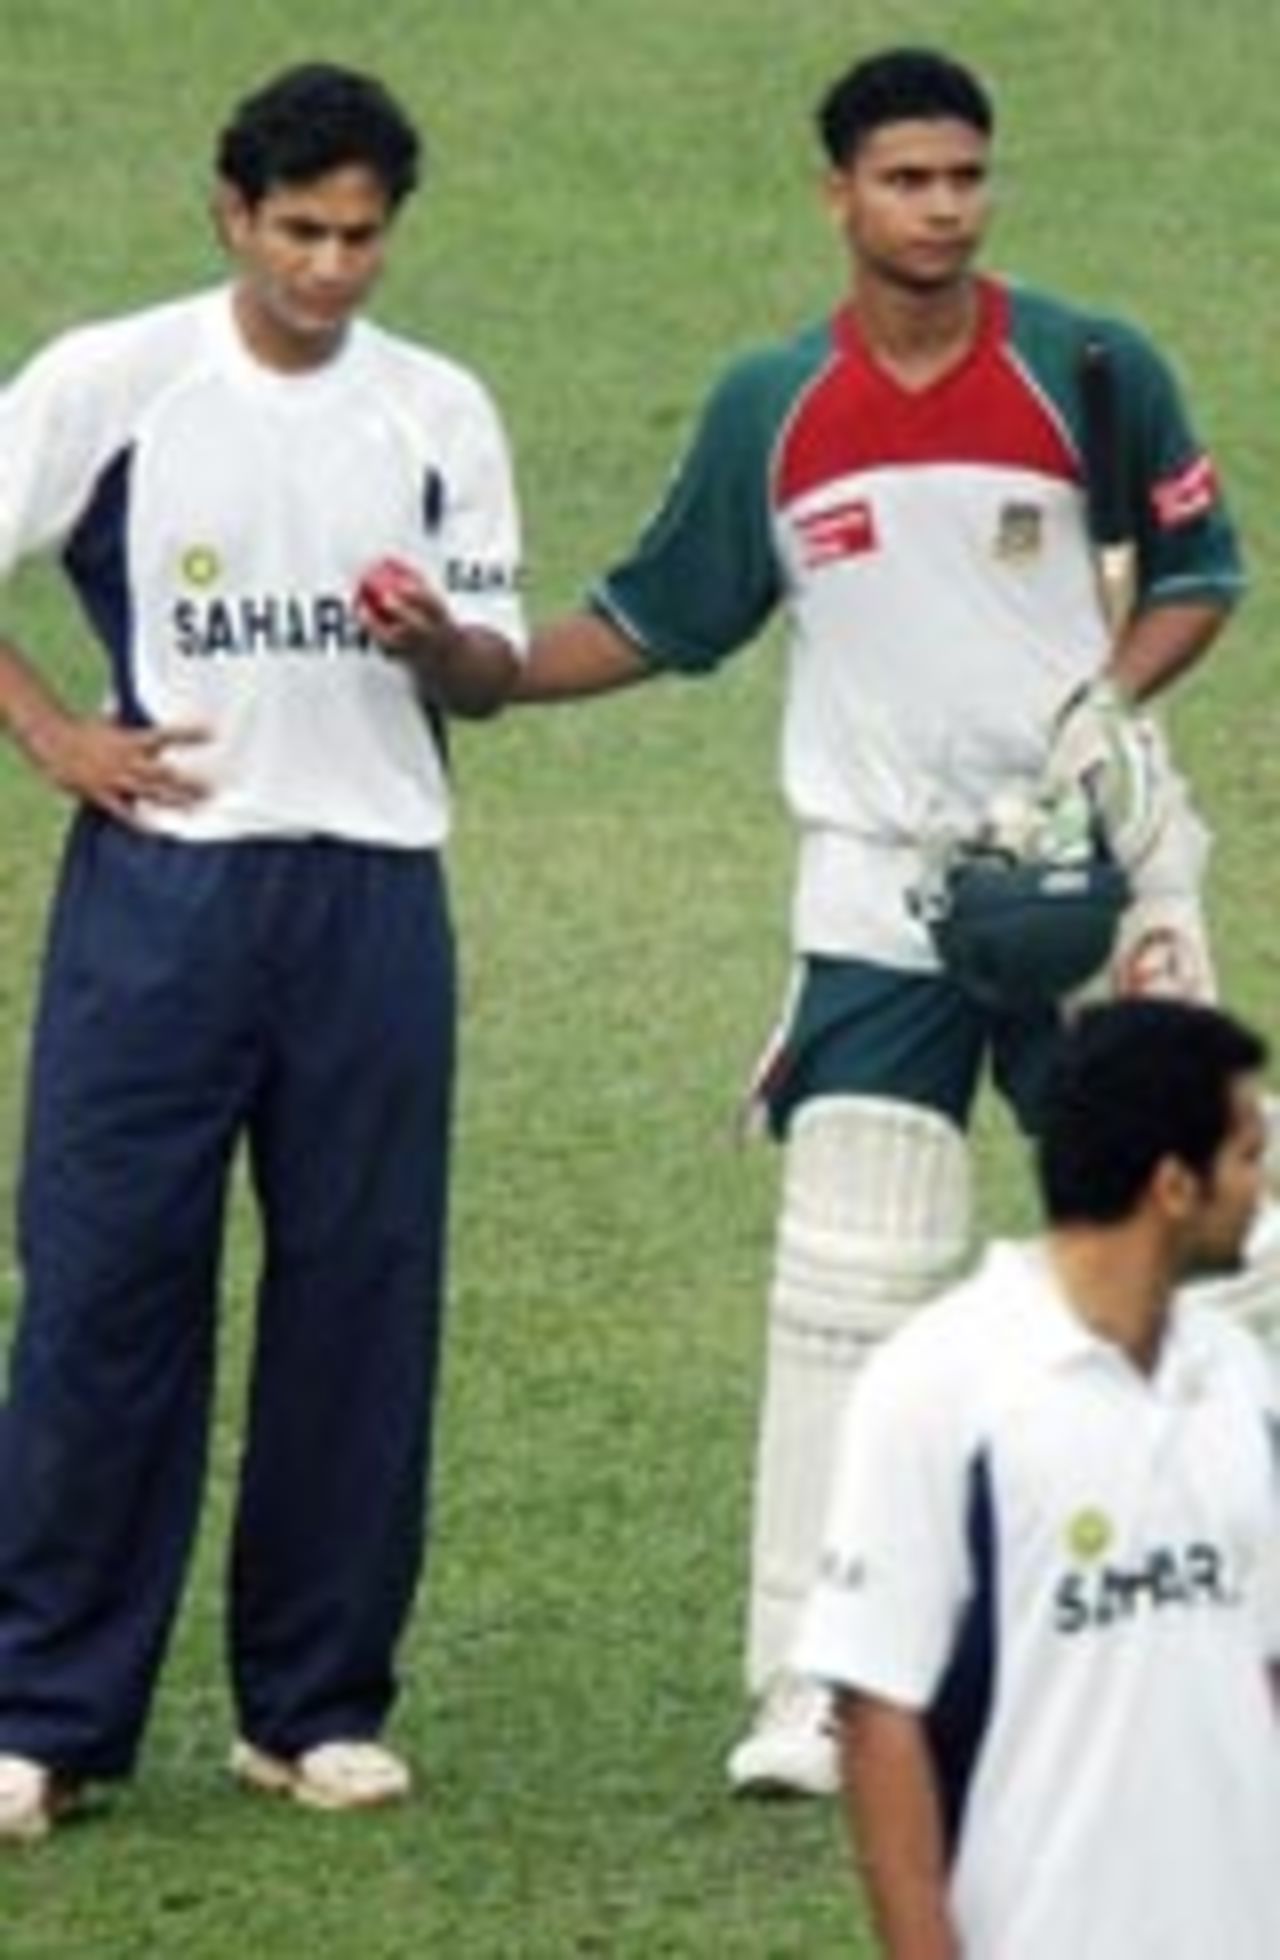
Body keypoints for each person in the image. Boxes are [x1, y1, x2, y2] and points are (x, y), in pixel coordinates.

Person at [501, 44, 1273, 1794]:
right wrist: (475, 675)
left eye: (966, 178)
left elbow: (1203, 570)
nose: (942, 207)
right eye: (908, 180)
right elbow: (661, 614)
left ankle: (1233, 1642)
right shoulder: (773, 404)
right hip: (879, 885)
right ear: (837, 193)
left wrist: (1099, 710)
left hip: (1092, 863)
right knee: (850, 1269)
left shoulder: (1086, 363)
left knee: (1223, 1244)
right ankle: (817, 1685)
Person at [0, 62, 525, 1841]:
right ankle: (48, 1716)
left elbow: (496, 675)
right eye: (299, 230)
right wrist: (59, 735)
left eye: (362, 234)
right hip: (165, 897)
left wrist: (442, 639)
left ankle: (313, 1709)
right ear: (230, 213)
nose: (330, 267)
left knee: (360, 1298)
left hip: (374, 897)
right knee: (100, 1293)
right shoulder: (111, 381)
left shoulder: (441, 409)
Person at [794, 997, 1280, 1960]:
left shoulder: (1239, 1379)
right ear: (1174, 1186)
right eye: (1248, 1159)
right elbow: (878, 1717)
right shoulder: (938, 1389)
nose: (1263, 1195)